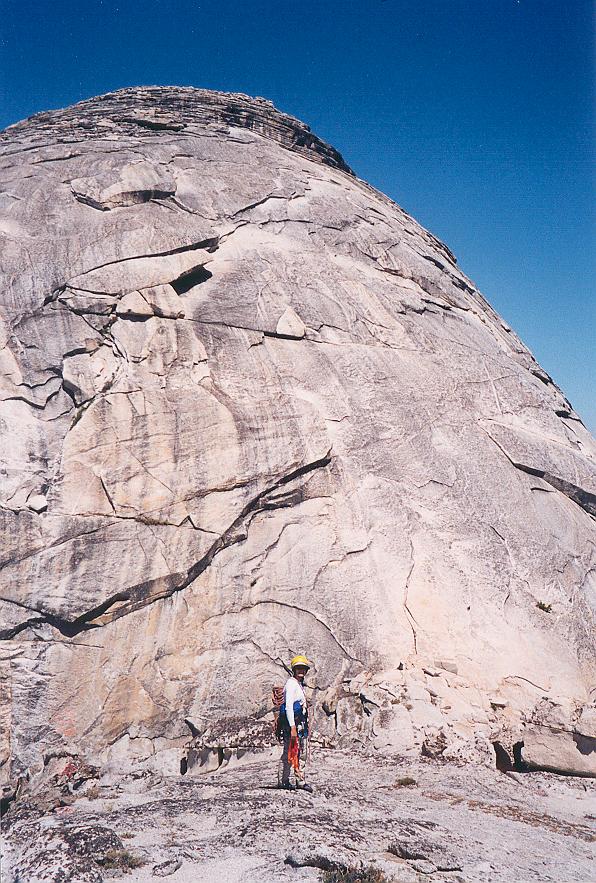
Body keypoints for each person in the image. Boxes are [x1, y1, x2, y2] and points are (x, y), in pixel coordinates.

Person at [278, 654, 313, 792]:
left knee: (301, 752)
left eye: (303, 668)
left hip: (300, 724)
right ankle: (284, 781)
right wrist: (292, 727)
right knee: (290, 752)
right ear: (294, 669)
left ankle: (300, 780)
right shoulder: (291, 684)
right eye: (298, 668)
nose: (301, 671)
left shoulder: (298, 684)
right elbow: (288, 707)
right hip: (294, 725)